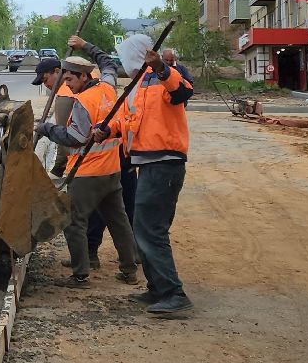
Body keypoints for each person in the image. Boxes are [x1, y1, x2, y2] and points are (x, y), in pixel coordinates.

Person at [97, 43, 195, 317]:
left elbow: (183, 91)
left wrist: (163, 68)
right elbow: (130, 121)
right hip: (147, 163)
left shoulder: (163, 77)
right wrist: (107, 130)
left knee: (151, 229)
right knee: (143, 226)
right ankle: (157, 287)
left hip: (164, 163)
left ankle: (173, 293)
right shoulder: (139, 85)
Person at [35, 56, 138, 287]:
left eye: (71, 79)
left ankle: (80, 274)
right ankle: (129, 269)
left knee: (74, 221)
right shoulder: (107, 89)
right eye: (65, 78)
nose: (68, 84)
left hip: (87, 171)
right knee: (118, 220)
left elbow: (75, 138)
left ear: (84, 76)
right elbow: (109, 66)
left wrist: (46, 128)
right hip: (112, 169)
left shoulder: (83, 101)